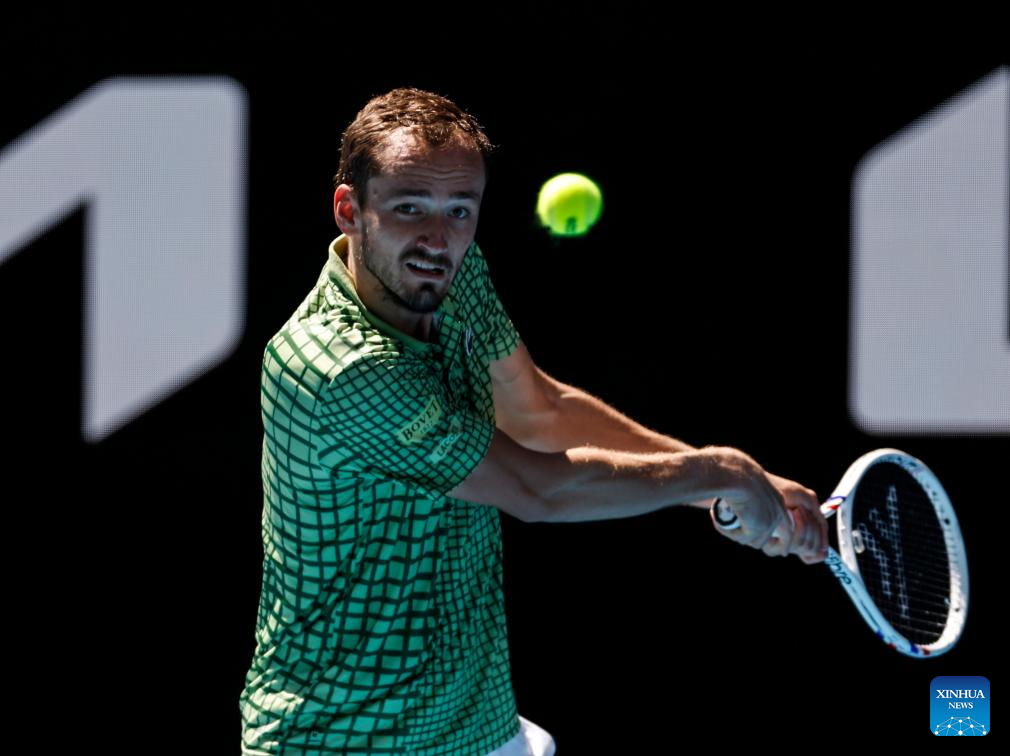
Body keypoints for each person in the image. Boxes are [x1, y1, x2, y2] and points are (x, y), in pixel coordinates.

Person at [239, 87, 828, 755]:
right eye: (410, 208)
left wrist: (739, 485)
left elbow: (541, 411)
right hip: (345, 741)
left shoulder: (453, 275)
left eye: (460, 211)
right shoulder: (341, 367)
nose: (438, 238)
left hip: (476, 726)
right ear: (350, 210)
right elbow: (538, 490)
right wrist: (723, 473)